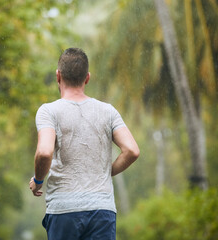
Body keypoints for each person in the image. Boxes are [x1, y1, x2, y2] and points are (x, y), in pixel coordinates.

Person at [29, 48, 140, 240]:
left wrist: (38, 181)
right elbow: (131, 150)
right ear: (87, 78)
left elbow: (45, 153)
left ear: (58, 75)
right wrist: (107, 171)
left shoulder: (49, 111)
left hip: (64, 210)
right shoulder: (108, 111)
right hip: (101, 210)